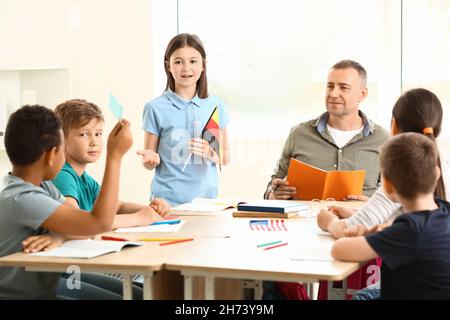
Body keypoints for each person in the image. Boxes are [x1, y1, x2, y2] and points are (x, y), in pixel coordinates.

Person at [0, 105, 133, 299]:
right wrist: (115, 156)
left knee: (139, 294)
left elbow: (77, 223)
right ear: (51, 155)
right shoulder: (21, 198)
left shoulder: (42, 186)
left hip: (52, 280)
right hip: (28, 296)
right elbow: (98, 223)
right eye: (63, 150)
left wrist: (58, 234)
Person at [318, 88, 449, 239]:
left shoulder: (403, 172)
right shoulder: (442, 166)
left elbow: (347, 232)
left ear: (394, 126)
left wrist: (329, 222)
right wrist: (357, 213)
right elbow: (399, 219)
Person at [332, 132, 450, 299]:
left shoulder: (409, 231)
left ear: (386, 185)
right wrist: (383, 232)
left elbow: (339, 250)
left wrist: (345, 231)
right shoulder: (444, 211)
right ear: (437, 174)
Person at [264, 60, 389, 201]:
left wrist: (370, 205)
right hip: (304, 221)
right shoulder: (299, 134)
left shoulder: (383, 140)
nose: (333, 93)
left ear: (362, 94)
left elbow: (393, 199)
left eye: (343, 87)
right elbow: (271, 188)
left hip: (359, 221)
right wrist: (274, 194)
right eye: (330, 86)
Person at [138, 33, 231, 205]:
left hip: (207, 202)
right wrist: (150, 160)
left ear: (203, 65)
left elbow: (225, 156)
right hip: (166, 203)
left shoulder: (216, 105)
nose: (186, 68)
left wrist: (211, 153)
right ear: (168, 66)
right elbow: (150, 158)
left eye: (193, 61)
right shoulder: (154, 108)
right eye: (178, 61)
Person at [52, 99, 170, 227]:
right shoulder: (62, 174)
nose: (94, 142)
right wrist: (139, 218)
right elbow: (76, 224)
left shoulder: (85, 179)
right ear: (61, 138)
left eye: (98, 134)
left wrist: (151, 210)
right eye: (84, 134)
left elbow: (117, 207)